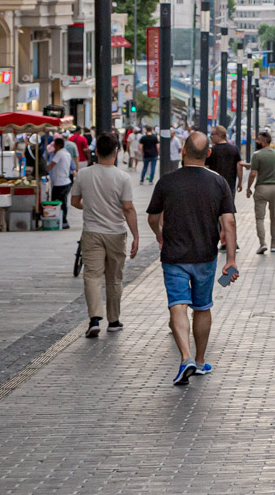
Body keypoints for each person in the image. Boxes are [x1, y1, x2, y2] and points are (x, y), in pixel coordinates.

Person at [146, 130, 239, 386]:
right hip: (205, 256)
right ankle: (199, 361)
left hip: (174, 255)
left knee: (178, 304)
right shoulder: (218, 182)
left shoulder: (167, 181)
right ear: (208, 154)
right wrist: (230, 259)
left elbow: (153, 217)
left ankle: (185, 356)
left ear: (183, 151)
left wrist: (159, 233)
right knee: (202, 307)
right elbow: (228, 222)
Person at [70, 133, 139, 337]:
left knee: (91, 275)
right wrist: (136, 235)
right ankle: (114, 320)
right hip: (116, 233)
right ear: (117, 151)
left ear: (96, 151)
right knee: (114, 278)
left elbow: (74, 202)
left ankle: (94, 319)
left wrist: (90, 207)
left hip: (91, 232)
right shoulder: (123, 177)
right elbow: (128, 208)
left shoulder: (83, 174)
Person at [244, 131, 275, 255]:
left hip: (261, 188)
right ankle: (274, 245)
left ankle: (262, 243)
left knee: (260, 218)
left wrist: (248, 188)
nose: (257, 141)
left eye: (258, 139)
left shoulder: (257, 155)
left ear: (264, 141)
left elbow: (253, 173)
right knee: (274, 217)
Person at [205, 126, 244, 198]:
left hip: (214, 185)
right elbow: (239, 166)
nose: (210, 136)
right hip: (230, 185)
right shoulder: (234, 149)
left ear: (219, 135)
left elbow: (206, 168)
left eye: (212, 134)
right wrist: (240, 182)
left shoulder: (211, 151)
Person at [45, 137, 75, 228]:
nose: (54, 147)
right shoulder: (67, 154)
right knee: (63, 202)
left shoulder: (59, 153)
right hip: (66, 181)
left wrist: (44, 171)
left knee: (56, 202)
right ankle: (64, 221)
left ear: (58, 145)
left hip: (59, 182)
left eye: (54, 145)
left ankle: (61, 221)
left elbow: (51, 166)